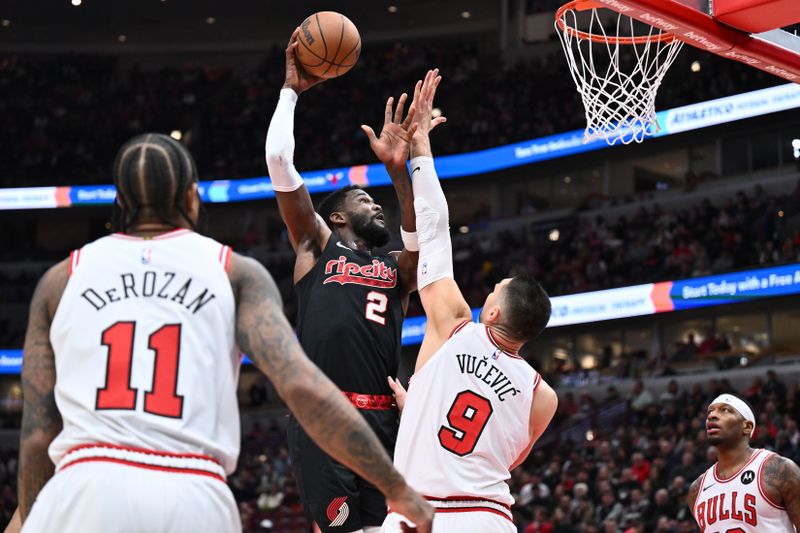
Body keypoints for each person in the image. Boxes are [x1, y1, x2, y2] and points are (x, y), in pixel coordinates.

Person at [16, 133, 433, 533]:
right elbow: (301, 387)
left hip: (86, 483)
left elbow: (37, 435)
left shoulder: (60, 279)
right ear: (191, 198)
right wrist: (396, 486)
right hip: (190, 485)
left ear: (119, 201)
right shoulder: (232, 271)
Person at [381, 69, 559, 533]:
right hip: (488, 518)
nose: (486, 294)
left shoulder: (456, 325)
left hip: (420, 512)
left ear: (494, 313)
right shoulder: (544, 396)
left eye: (493, 290)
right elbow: (502, 453)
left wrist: (421, 146)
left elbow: (435, 229)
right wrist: (422, 404)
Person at [264, 29, 424, 532]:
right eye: (361, 199)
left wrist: (403, 172)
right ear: (335, 218)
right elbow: (278, 163)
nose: (374, 203)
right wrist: (291, 91)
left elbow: (428, 240)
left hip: (385, 419)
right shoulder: (315, 247)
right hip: (326, 414)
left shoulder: (397, 269)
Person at [687, 393, 800, 531]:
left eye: (725, 410)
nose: (711, 416)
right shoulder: (696, 489)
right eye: (710, 411)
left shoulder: (778, 469)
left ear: (746, 426)